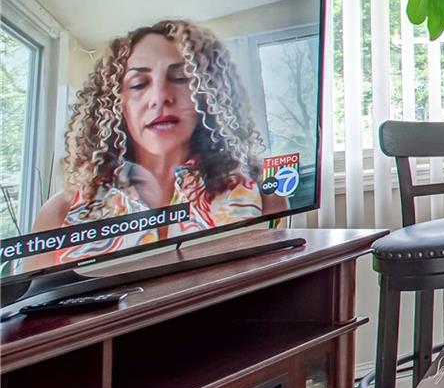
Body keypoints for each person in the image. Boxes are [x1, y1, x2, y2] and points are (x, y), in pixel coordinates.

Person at [29, 19, 285, 259]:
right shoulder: (59, 215)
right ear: (117, 104)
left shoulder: (261, 195)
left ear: (207, 95)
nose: (160, 96)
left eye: (181, 78)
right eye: (139, 83)